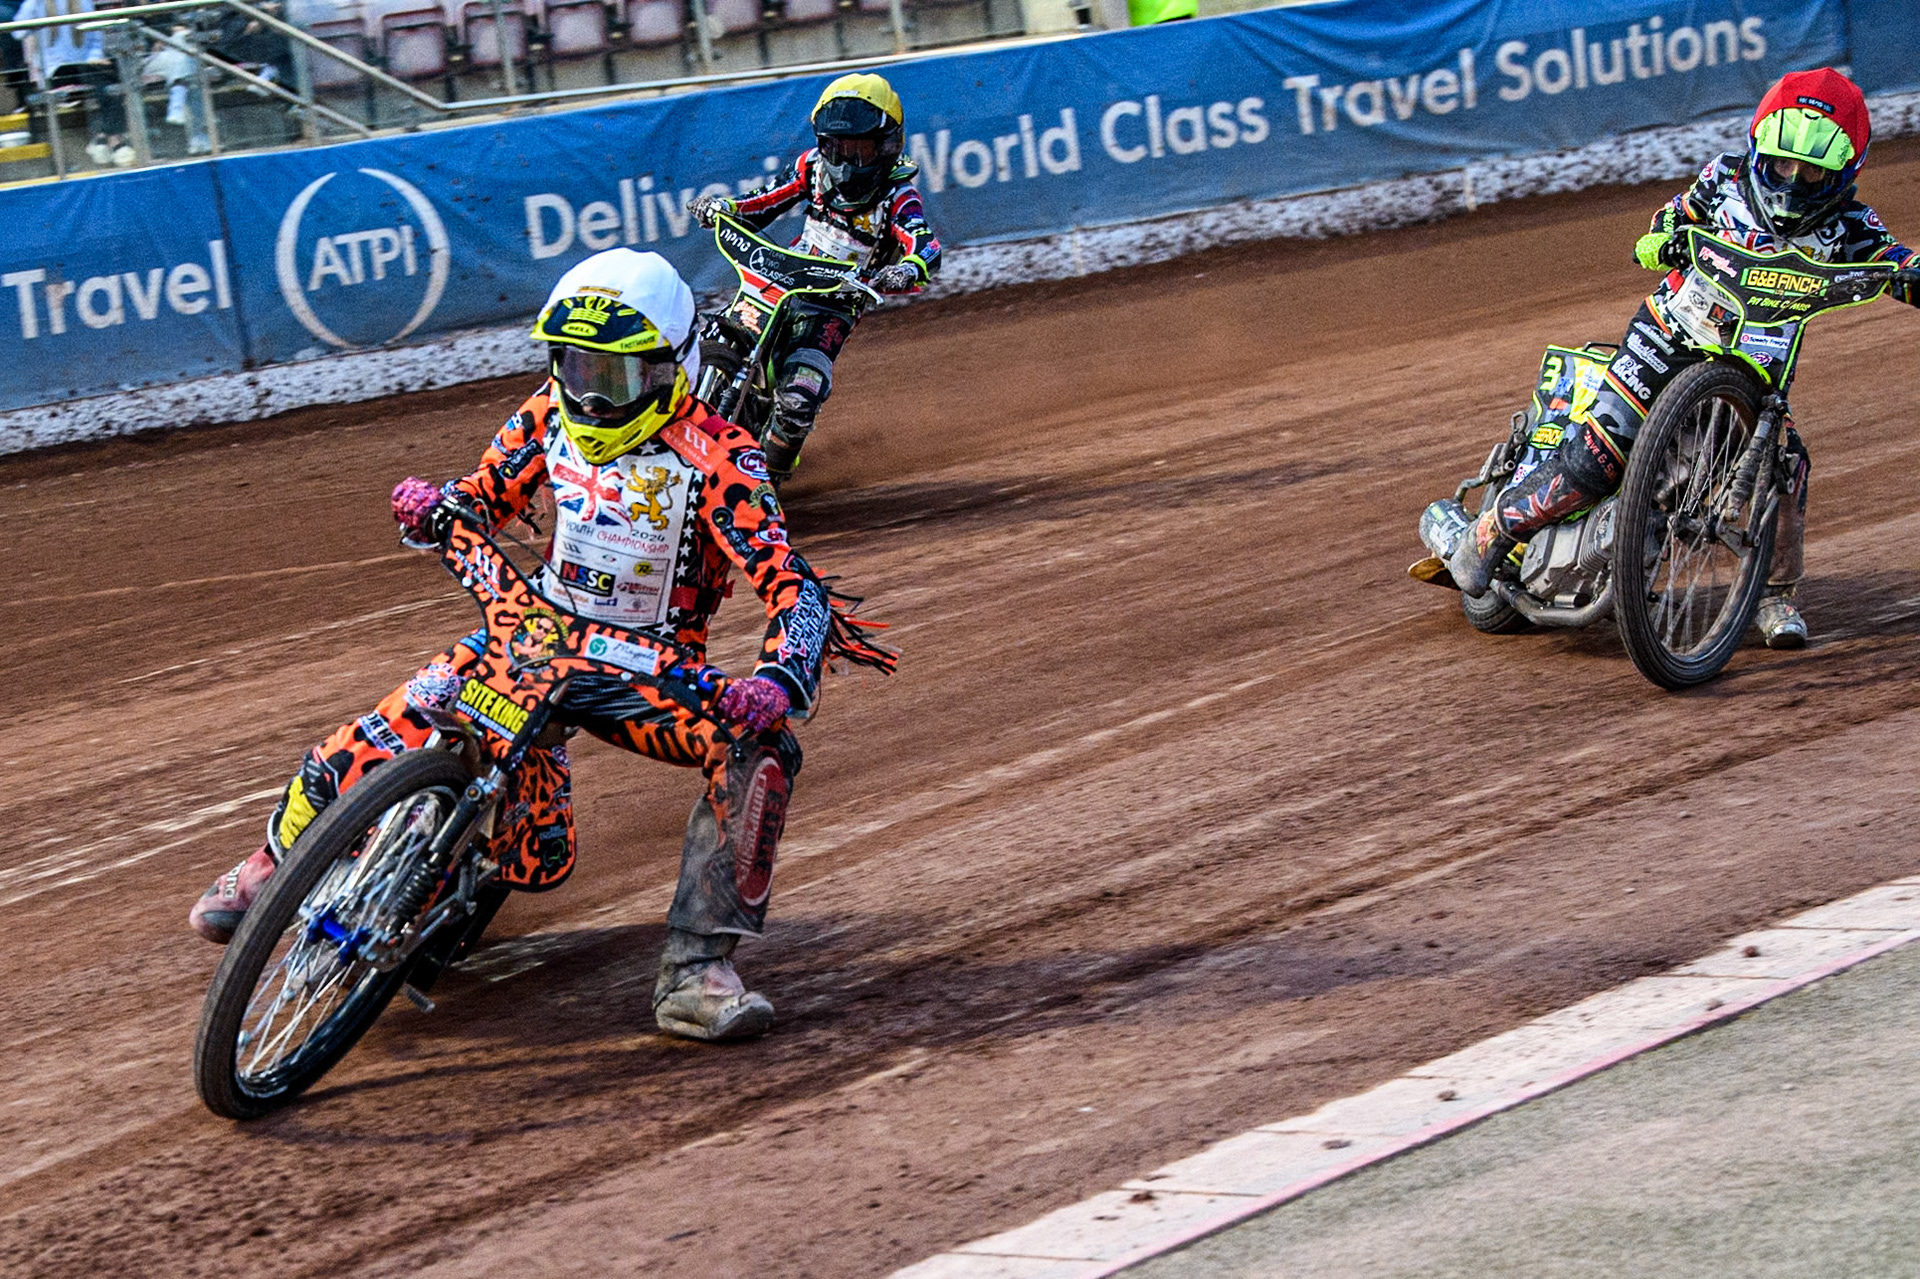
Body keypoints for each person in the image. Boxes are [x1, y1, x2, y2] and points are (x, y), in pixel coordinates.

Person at [188, 248, 894, 1043]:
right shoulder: (546, 414)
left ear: (672, 368)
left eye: (614, 376)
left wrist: (776, 679)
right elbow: (484, 495)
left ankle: (697, 972)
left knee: (761, 752)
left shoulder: (723, 456)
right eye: (575, 367)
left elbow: (791, 583)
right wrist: (437, 507)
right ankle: (271, 866)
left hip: (649, 674)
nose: (590, 394)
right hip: (532, 634)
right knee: (378, 733)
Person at [1449, 68, 1920, 648]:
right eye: (1782, 165)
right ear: (1760, 149)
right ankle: (1493, 529)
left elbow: (1895, 260)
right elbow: (1667, 221)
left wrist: (1911, 275)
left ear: (1846, 173)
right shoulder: (1724, 178)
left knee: (1786, 466)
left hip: (1757, 374)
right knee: (1598, 458)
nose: (1793, 182)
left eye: (1812, 172)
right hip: (1667, 334)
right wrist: (1661, 240)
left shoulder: (1851, 227)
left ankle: (1775, 594)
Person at [689, 72, 941, 486]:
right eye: (835, 148)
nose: (844, 162)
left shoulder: (898, 196)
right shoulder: (812, 168)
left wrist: (904, 270)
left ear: (887, 146)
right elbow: (763, 201)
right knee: (712, 339)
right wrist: (723, 208)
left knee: (799, 397)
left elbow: (925, 245)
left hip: (834, 303)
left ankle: (767, 482)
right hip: (780, 278)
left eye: (858, 150)